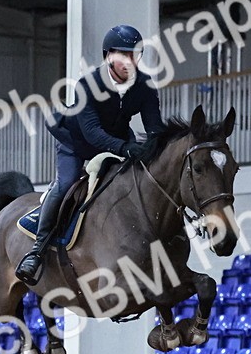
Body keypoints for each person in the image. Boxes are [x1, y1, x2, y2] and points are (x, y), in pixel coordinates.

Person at [15, 24, 165, 285]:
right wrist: (125, 148)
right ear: (109, 56)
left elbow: (155, 127)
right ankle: (37, 251)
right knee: (66, 185)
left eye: (135, 55)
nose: (130, 62)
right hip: (78, 143)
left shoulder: (144, 86)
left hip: (117, 139)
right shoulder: (88, 84)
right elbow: (93, 132)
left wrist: (157, 147)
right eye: (124, 56)